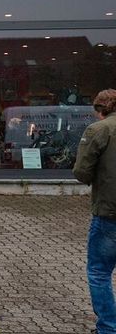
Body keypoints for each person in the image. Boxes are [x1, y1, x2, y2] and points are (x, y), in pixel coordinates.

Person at [73, 89, 116, 334]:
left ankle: (109, 327)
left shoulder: (99, 130)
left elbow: (81, 172)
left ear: (99, 110)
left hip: (109, 212)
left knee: (99, 272)